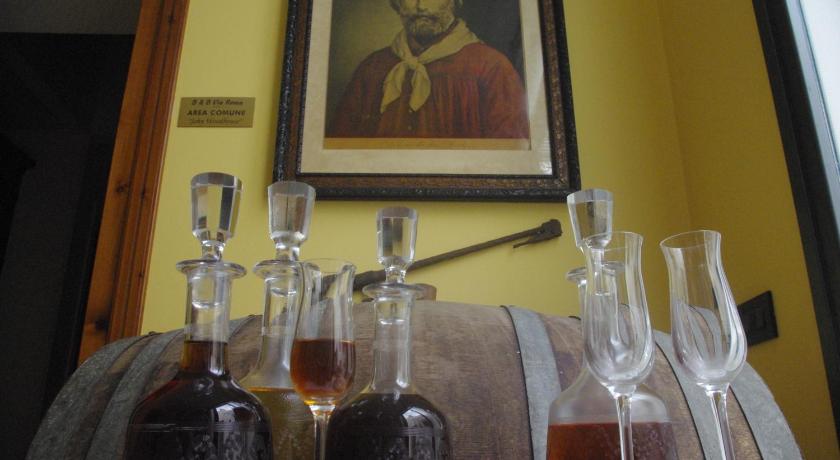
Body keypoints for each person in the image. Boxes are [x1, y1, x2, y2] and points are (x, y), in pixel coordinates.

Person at [328, 0, 530, 139]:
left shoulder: (491, 66)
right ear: (396, 4)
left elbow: (509, 154)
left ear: (455, 2)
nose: (421, 6)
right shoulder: (372, 68)